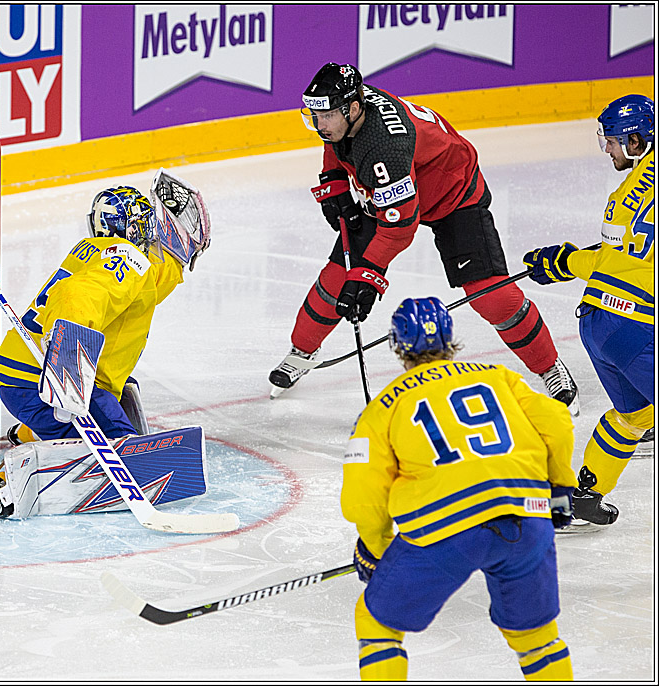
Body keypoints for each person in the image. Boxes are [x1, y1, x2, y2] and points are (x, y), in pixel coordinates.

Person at [269, 62, 579, 416]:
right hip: (399, 187)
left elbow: (400, 228)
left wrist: (368, 276)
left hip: (453, 194)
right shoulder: (348, 115)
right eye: (314, 115)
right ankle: (301, 350)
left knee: (492, 296)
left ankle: (549, 366)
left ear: (353, 108)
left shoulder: (384, 147)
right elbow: (336, 142)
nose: (319, 125)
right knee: (337, 278)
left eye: (324, 116)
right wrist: (334, 179)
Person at [341, 296, 577, 681]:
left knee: (376, 624)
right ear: (451, 337)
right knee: (537, 639)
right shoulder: (498, 376)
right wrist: (559, 487)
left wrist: (375, 546)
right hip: (525, 516)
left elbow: (364, 491)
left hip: (444, 529)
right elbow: (557, 421)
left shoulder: (384, 406)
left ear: (397, 344)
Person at [0, 174, 211, 516]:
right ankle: (1, 485)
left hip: (23, 368)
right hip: (44, 375)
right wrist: (67, 368)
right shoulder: (129, 260)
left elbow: (149, 283)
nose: (150, 229)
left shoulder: (97, 251)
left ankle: (31, 430)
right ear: (132, 229)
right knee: (115, 431)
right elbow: (78, 296)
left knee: (121, 391)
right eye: (144, 222)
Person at [522, 94, 654, 527]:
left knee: (635, 416)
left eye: (612, 143)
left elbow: (611, 259)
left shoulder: (627, 193)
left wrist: (563, 262)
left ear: (637, 141)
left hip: (598, 323)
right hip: (636, 324)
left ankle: (579, 498)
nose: (609, 151)